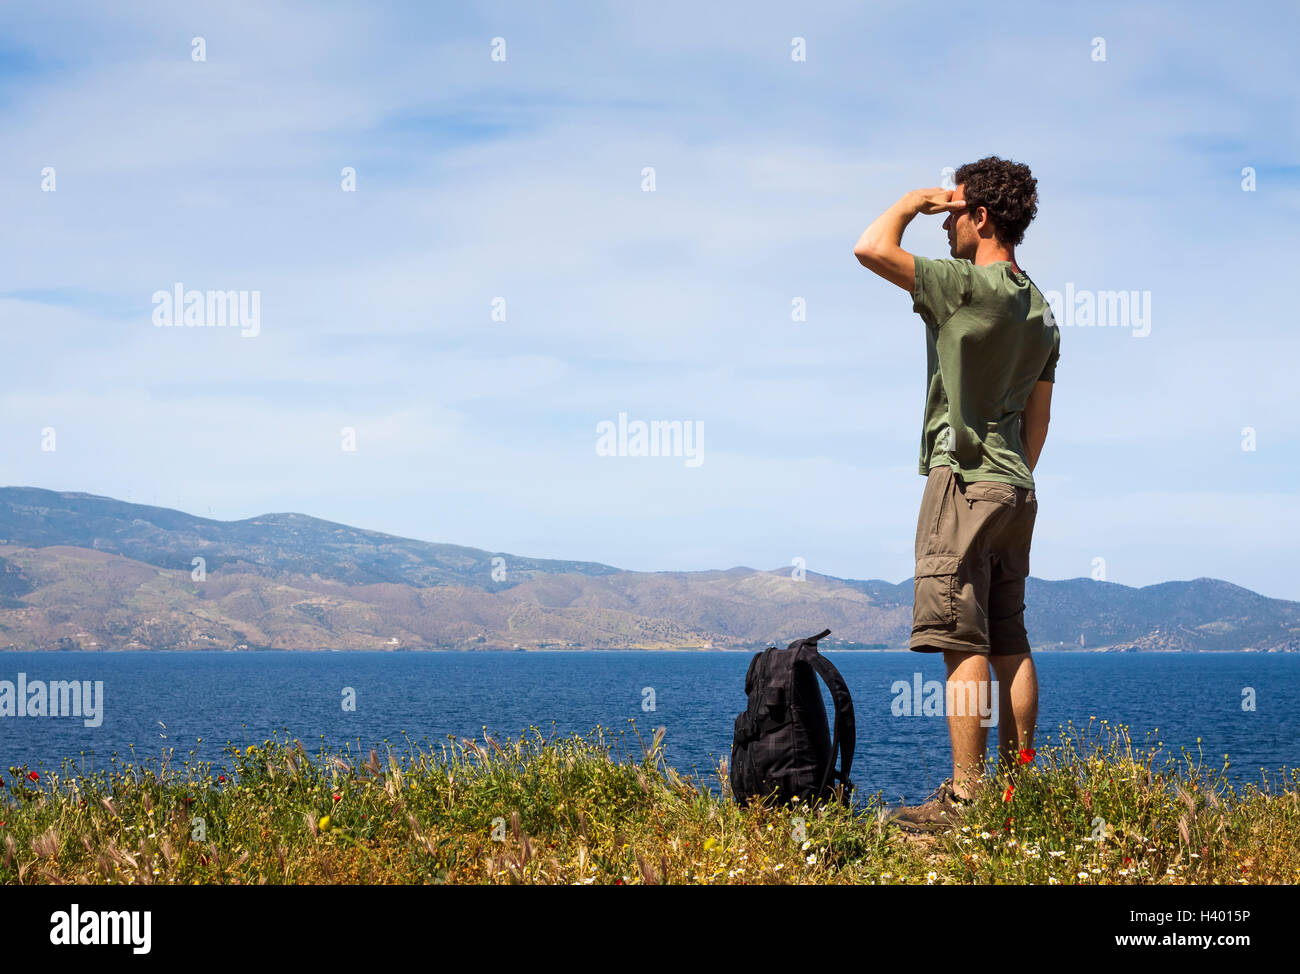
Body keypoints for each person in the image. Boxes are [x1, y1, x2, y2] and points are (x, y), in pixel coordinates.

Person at [853, 157, 1059, 832]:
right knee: (1009, 640)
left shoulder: (964, 286)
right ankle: (1015, 790)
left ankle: (966, 802)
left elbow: (870, 248)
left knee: (959, 639)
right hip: (1015, 487)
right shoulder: (1040, 310)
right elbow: (1038, 421)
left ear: (981, 217)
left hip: (964, 480)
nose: (945, 222)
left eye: (954, 210)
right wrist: (1011, 476)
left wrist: (913, 201)